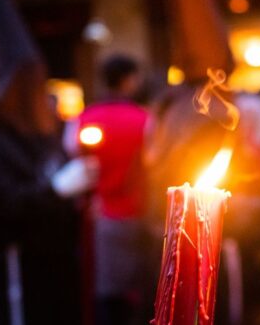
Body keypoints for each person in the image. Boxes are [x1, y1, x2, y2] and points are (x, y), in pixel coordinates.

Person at [0, 0, 98, 323]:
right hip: (16, 275)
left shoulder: (42, 133)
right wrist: (57, 189)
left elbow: (55, 176)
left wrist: (78, 184)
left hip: (56, 266)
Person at [67, 55, 152, 325]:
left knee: (107, 295)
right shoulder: (145, 119)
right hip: (139, 214)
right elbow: (154, 163)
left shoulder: (83, 120)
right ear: (128, 80)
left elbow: (76, 167)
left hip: (101, 217)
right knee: (138, 294)